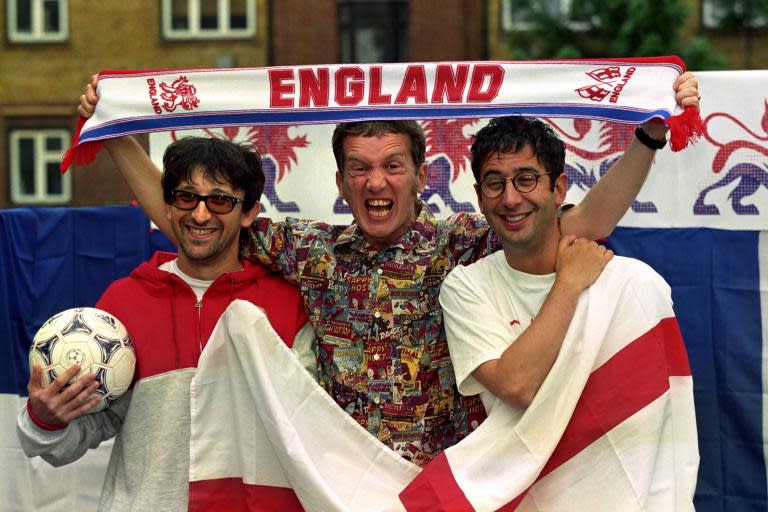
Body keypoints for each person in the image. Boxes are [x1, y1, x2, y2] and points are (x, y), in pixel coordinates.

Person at [75, 72, 699, 466]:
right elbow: (191, 215)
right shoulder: (308, 251)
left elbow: (580, 225)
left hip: (448, 481)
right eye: (360, 168)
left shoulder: (462, 239)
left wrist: (646, 136)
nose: (377, 182)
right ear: (341, 182)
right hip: (338, 480)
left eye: (393, 165)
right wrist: (115, 126)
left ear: (422, 176)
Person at [17, 137, 313, 511]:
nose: (200, 215)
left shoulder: (287, 304)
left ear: (250, 212)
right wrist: (45, 419)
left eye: (220, 200)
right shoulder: (124, 301)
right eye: (187, 197)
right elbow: (83, 431)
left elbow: (310, 433)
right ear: (168, 206)